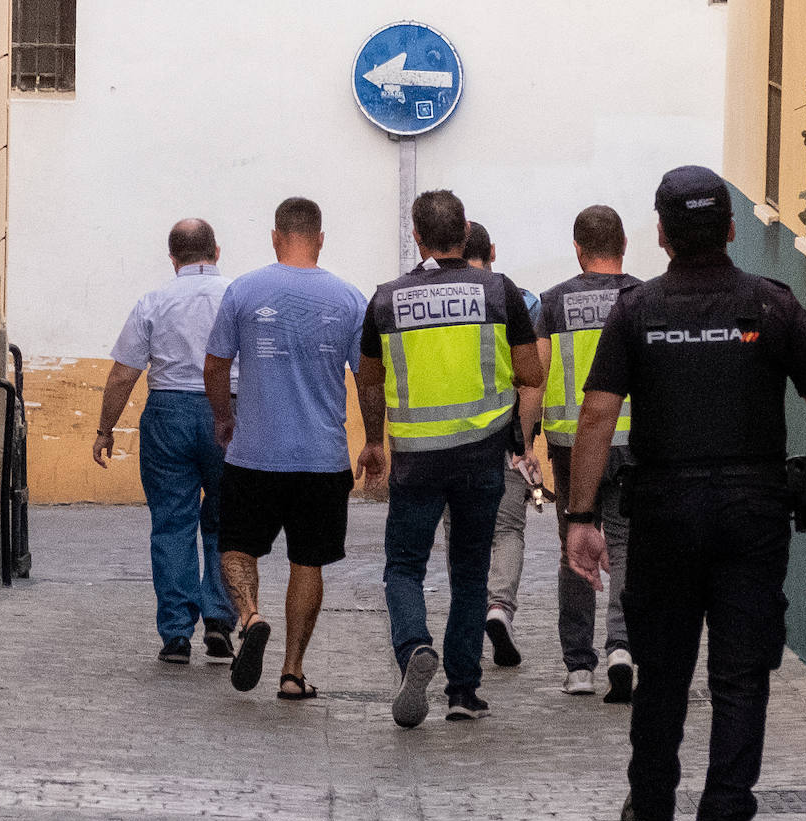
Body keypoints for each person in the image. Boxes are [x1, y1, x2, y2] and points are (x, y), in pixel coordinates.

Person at [565, 166, 806, 821]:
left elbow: (598, 416)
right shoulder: (772, 305)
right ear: (732, 228)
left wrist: (580, 515)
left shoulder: (635, 312)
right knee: (740, 682)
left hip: (665, 513)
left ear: (662, 234)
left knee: (662, 675)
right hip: (751, 513)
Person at [355, 190, 544, 727]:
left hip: (416, 460)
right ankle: (463, 691)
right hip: (482, 458)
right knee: (470, 574)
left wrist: (374, 440)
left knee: (404, 567)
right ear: (465, 231)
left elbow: (369, 379)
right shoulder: (500, 292)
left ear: (417, 237)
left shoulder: (386, 300)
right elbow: (530, 374)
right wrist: (518, 437)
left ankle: (414, 646)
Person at [203, 198, 367, 700]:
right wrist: (378, 440)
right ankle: (292, 673)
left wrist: (224, 417)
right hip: (322, 458)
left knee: (235, 545)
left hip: (254, 453)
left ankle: (250, 617)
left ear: (275, 237)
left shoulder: (244, 290)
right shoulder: (349, 299)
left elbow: (214, 365)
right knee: (307, 561)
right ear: (320, 239)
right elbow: (369, 378)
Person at [92, 218, 237, 665]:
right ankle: (219, 619)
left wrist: (104, 429)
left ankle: (176, 634)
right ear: (217, 251)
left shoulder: (153, 301)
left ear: (172, 258)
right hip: (228, 413)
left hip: (169, 414)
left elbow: (123, 374)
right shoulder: (238, 295)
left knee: (172, 525)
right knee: (225, 522)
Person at [532, 205, 640, 701]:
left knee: (573, 549)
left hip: (573, 446)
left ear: (578, 249)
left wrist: (525, 437)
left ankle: (579, 667)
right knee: (626, 547)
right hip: (636, 444)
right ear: (624, 245)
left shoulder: (553, 303)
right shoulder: (644, 299)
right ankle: (622, 645)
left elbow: (535, 376)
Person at [461, 221, 543, 669]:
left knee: (462, 532)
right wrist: (526, 442)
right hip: (507, 436)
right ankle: (499, 608)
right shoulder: (523, 300)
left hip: (454, 439)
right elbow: (533, 378)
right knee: (507, 529)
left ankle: (469, 620)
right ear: (493, 249)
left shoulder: (442, 298)